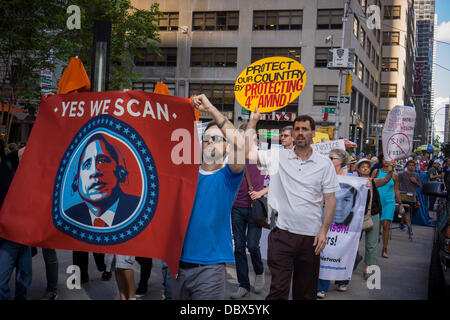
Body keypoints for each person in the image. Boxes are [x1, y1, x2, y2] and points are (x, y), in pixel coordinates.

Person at [246, 110, 339, 300]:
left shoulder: (324, 164)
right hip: (282, 235)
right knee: (278, 291)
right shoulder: (279, 156)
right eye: (297, 129)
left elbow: (330, 199)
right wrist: (252, 123)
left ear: (313, 133)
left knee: (305, 294)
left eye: (305, 129)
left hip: (310, 239)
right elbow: (249, 152)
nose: (300, 133)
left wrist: (324, 230)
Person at [172, 94, 245, 300]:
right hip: (176, 265)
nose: (209, 141)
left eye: (217, 138)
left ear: (227, 147)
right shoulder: (185, 173)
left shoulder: (228, 177)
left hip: (210, 270)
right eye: (206, 138)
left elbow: (241, 143)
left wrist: (211, 109)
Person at [66, 133, 140, 227]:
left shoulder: (138, 209)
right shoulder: (69, 217)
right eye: (87, 165)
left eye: (102, 161)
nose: (94, 171)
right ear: (76, 181)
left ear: (120, 172)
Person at [230, 123, 268, 299]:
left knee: (252, 245)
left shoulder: (262, 155)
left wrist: (261, 192)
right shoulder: (235, 155)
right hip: (237, 207)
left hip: (255, 208)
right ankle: (243, 284)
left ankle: (259, 272)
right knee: (238, 248)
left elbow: (278, 179)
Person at [317, 148, 352, 298]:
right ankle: (322, 286)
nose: (329, 161)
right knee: (324, 250)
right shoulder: (323, 175)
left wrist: (366, 185)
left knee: (341, 248)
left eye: (332, 158)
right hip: (324, 217)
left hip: (343, 222)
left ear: (341, 162)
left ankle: (342, 278)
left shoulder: (350, 178)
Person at [0, 147, 32, 300]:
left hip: (18, 231)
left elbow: (23, 152)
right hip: (9, 232)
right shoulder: (6, 165)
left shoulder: (8, 162)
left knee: (23, 276)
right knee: (8, 278)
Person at [354, 158, 393, 280]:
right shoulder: (353, 181)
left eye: (367, 166)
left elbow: (386, 179)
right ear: (358, 170)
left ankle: (369, 269)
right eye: (362, 166)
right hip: (356, 216)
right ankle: (354, 259)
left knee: (372, 244)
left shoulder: (373, 181)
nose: (365, 168)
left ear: (370, 169)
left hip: (372, 214)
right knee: (352, 242)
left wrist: (391, 169)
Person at [371, 153, 403, 259]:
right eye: (384, 159)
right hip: (377, 202)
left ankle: (384, 249)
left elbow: (397, 190)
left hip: (389, 202)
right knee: (377, 227)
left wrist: (401, 204)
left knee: (386, 225)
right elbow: (370, 186)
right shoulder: (376, 172)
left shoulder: (395, 175)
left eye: (388, 159)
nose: (386, 161)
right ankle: (374, 247)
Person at [398, 160, 421, 235]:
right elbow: (397, 183)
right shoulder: (402, 174)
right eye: (410, 165)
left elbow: (419, 185)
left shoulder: (416, 175)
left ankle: (401, 222)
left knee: (405, 211)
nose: (411, 166)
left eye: (413, 165)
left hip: (411, 196)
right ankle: (409, 227)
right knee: (406, 211)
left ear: (415, 166)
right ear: (407, 165)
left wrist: (415, 181)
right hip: (403, 195)